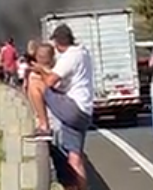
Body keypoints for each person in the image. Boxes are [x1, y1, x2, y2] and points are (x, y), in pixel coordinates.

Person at [26, 24, 94, 190]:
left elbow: (49, 82)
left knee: (35, 85)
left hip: (72, 107)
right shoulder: (83, 52)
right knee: (75, 159)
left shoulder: (69, 57)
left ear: (57, 42)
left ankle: (43, 126)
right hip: (84, 111)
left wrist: (40, 70)